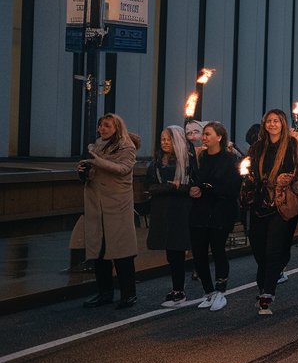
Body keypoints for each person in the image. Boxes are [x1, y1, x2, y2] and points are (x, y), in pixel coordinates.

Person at [241, 109, 298, 315]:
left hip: (282, 203)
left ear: (283, 124)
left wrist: (295, 186)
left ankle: (267, 293)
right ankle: (267, 281)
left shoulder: (292, 145)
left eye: (276, 121)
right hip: (260, 202)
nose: (272, 125)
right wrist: (247, 176)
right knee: (259, 247)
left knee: (274, 248)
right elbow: (248, 168)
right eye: (269, 121)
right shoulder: (257, 147)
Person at [80, 114, 141, 309]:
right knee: (99, 251)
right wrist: (84, 171)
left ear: (117, 128)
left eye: (107, 126)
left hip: (117, 206)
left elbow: (123, 169)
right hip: (96, 206)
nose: (102, 129)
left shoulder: (126, 147)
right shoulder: (96, 146)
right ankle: (104, 293)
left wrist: (96, 162)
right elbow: (95, 171)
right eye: (100, 125)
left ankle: (128, 294)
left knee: (122, 252)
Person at [188, 122, 240, 311]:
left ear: (219, 137)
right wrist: (194, 189)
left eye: (208, 134)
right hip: (200, 211)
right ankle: (208, 291)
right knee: (199, 251)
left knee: (218, 249)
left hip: (220, 211)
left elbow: (233, 187)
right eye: (204, 134)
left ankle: (220, 289)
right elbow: (195, 179)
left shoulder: (229, 159)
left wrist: (210, 189)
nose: (204, 137)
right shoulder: (201, 158)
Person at [146, 125, 196, 307]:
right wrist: (169, 186)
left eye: (169, 139)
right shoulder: (156, 162)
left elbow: (190, 187)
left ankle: (179, 290)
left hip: (180, 210)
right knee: (170, 251)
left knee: (178, 250)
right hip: (161, 210)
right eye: (162, 139)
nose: (165, 143)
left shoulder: (187, 162)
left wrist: (176, 187)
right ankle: (177, 288)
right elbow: (150, 187)